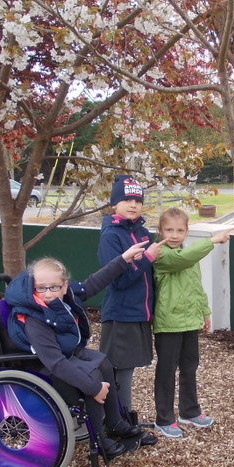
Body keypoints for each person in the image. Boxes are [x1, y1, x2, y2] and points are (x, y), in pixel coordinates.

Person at [4, 247, 150, 460]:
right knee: (92, 377)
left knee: (103, 362)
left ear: (64, 286)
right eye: (40, 288)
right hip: (44, 366)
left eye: (53, 287)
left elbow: (93, 283)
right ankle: (98, 438)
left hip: (65, 354)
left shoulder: (64, 297)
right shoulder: (35, 319)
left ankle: (115, 422)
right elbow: (54, 363)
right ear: (31, 289)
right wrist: (94, 388)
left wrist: (123, 259)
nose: (47, 293)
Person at [151, 207, 234, 438]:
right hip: (169, 322)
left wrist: (204, 312)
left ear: (186, 231)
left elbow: (196, 286)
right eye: (169, 230)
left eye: (179, 230)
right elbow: (182, 259)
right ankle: (164, 418)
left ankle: (189, 410)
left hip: (189, 320)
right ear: (160, 231)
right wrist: (212, 241)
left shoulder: (189, 253)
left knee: (189, 367)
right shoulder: (161, 254)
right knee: (167, 370)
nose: (174, 235)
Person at [97, 174, 162, 446]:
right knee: (118, 370)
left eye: (137, 200)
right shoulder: (111, 235)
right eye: (126, 199)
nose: (133, 205)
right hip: (120, 313)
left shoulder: (142, 232)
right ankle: (117, 424)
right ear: (114, 204)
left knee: (129, 369)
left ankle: (125, 418)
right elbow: (120, 279)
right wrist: (147, 258)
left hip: (139, 312)